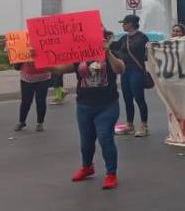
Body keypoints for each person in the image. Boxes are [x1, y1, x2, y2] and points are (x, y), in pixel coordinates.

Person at [49, 30, 126, 189]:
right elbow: (58, 69)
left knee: (105, 138)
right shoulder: (80, 56)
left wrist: (107, 52)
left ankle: (111, 174)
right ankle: (87, 167)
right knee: (86, 141)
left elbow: (120, 69)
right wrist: (37, 59)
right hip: (84, 105)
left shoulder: (113, 52)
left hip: (107, 105)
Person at [115, 15, 150, 137]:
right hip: (125, 70)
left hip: (136, 70)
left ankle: (144, 125)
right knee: (127, 98)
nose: (123, 25)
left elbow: (142, 51)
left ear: (131, 24)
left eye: (124, 23)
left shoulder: (142, 37)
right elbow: (115, 48)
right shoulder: (124, 38)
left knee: (139, 97)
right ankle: (130, 125)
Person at [14, 60, 52, 131]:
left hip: (43, 78)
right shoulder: (23, 48)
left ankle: (40, 123)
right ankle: (22, 122)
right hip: (26, 78)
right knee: (26, 101)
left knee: (40, 101)